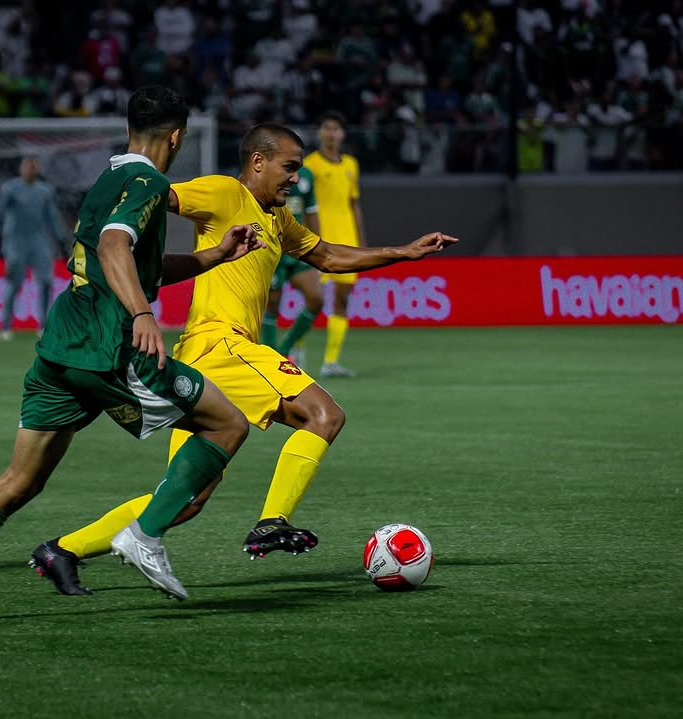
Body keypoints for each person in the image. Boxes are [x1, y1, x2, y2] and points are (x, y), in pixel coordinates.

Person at [0, 85, 263, 624]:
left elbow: (134, 263)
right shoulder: (148, 181)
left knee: (21, 480)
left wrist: (213, 255)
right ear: (177, 137)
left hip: (62, 343)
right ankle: (144, 534)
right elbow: (114, 249)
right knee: (227, 425)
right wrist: (142, 315)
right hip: (108, 344)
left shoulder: (110, 178)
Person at [29, 123, 456, 596]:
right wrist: (106, 233)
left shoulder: (277, 220)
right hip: (222, 345)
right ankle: (273, 521)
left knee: (185, 498)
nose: (296, 177)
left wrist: (404, 251)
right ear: (258, 162)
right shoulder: (223, 192)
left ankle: (61, 550)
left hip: (204, 357)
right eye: (289, 167)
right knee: (324, 414)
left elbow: (330, 257)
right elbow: (153, 195)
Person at [304, 110, 365, 378]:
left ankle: (330, 362)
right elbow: (303, 205)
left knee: (342, 299)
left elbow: (354, 204)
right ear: (319, 132)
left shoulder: (351, 165)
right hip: (319, 239)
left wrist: (361, 240)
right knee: (312, 299)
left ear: (342, 134)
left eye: (336, 129)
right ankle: (297, 356)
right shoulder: (309, 165)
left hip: (347, 238)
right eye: (327, 128)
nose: (331, 133)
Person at [0, 155, 67, 341]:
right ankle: (6, 326)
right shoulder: (11, 189)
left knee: (46, 282)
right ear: (21, 169)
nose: (30, 169)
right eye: (27, 166)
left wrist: (61, 240)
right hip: (15, 240)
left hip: (38, 240)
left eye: (33, 166)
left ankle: (43, 325)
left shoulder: (45, 191)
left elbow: (52, 218)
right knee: (14, 282)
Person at [259, 162, 322, 369]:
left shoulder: (306, 176)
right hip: (273, 247)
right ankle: (269, 360)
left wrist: (317, 248)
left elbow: (311, 211)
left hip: (297, 249)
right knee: (272, 305)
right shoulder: (268, 173)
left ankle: (284, 350)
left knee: (316, 298)